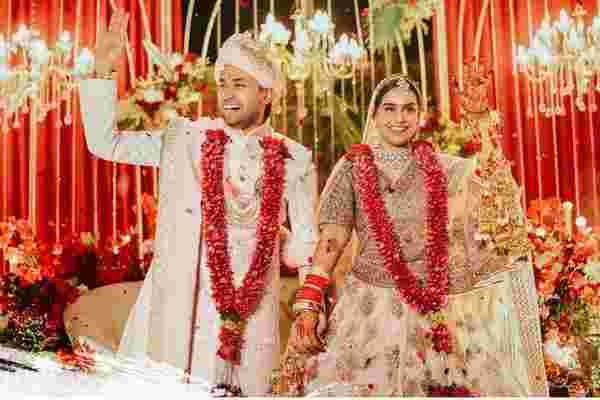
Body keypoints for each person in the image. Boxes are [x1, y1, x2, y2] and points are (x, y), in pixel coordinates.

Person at [77, 8, 318, 396]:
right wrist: (103, 70)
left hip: (254, 318)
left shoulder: (295, 159)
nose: (227, 93)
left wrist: (309, 309)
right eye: (222, 82)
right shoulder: (187, 140)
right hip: (184, 314)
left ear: (267, 92)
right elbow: (107, 143)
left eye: (239, 83)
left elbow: (306, 247)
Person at [281, 74, 548, 396]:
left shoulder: (445, 169)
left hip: (433, 310)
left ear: (419, 116)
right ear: (374, 115)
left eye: (409, 109)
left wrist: (481, 124)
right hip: (369, 309)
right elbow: (332, 240)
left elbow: (494, 187)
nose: (400, 118)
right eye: (390, 108)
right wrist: (310, 300)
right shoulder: (351, 168)